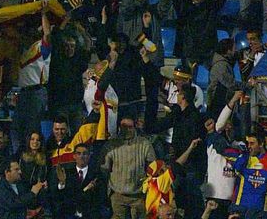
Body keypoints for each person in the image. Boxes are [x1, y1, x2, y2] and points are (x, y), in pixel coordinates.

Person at [148, 83, 207, 219]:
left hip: (190, 166)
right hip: (178, 164)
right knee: (179, 199)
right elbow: (158, 126)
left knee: (190, 201)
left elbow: (193, 146)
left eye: (178, 93)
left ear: (183, 97)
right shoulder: (177, 114)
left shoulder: (195, 117)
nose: (176, 95)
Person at [100, 117, 156, 219]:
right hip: (118, 195)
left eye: (130, 127)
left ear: (135, 127)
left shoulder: (145, 144)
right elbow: (104, 170)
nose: (127, 130)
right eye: (124, 127)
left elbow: (153, 168)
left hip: (138, 196)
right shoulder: (111, 145)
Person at [12, 2, 52, 145]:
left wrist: (43, 14)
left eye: (27, 32)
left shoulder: (41, 47)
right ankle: (18, 159)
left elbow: (47, 34)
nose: (23, 35)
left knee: (32, 130)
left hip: (36, 92)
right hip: (23, 93)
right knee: (17, 129)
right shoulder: (21, 50)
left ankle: (33, 159)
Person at [50, 143, 104, 219]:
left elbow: (99, 199)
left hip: (89, 214)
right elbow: (58, 196)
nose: (81, 156)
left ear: (89, 156)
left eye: (85, 154)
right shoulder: (66, 173)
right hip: (69, 213)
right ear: (74, 156)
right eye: (78, 154)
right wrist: (62, 183)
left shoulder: (96, 175)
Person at [208, 38, 237, 118]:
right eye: (234, 49)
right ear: (228, 51)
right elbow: (230, 83)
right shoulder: (221, 65)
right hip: (218, 104)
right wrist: (247, 85)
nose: (235, 51)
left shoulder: (223, 63)